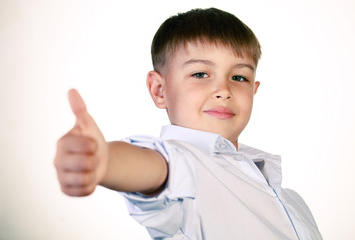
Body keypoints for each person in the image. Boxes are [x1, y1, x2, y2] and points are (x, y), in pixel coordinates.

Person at [54, 8, 322, 239]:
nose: (223, 90)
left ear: (254, 90)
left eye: (239, 77)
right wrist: (105, 161)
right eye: (200, 73)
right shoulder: (185, 166)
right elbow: (156, 168)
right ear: (159, 90)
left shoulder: (292, 201)